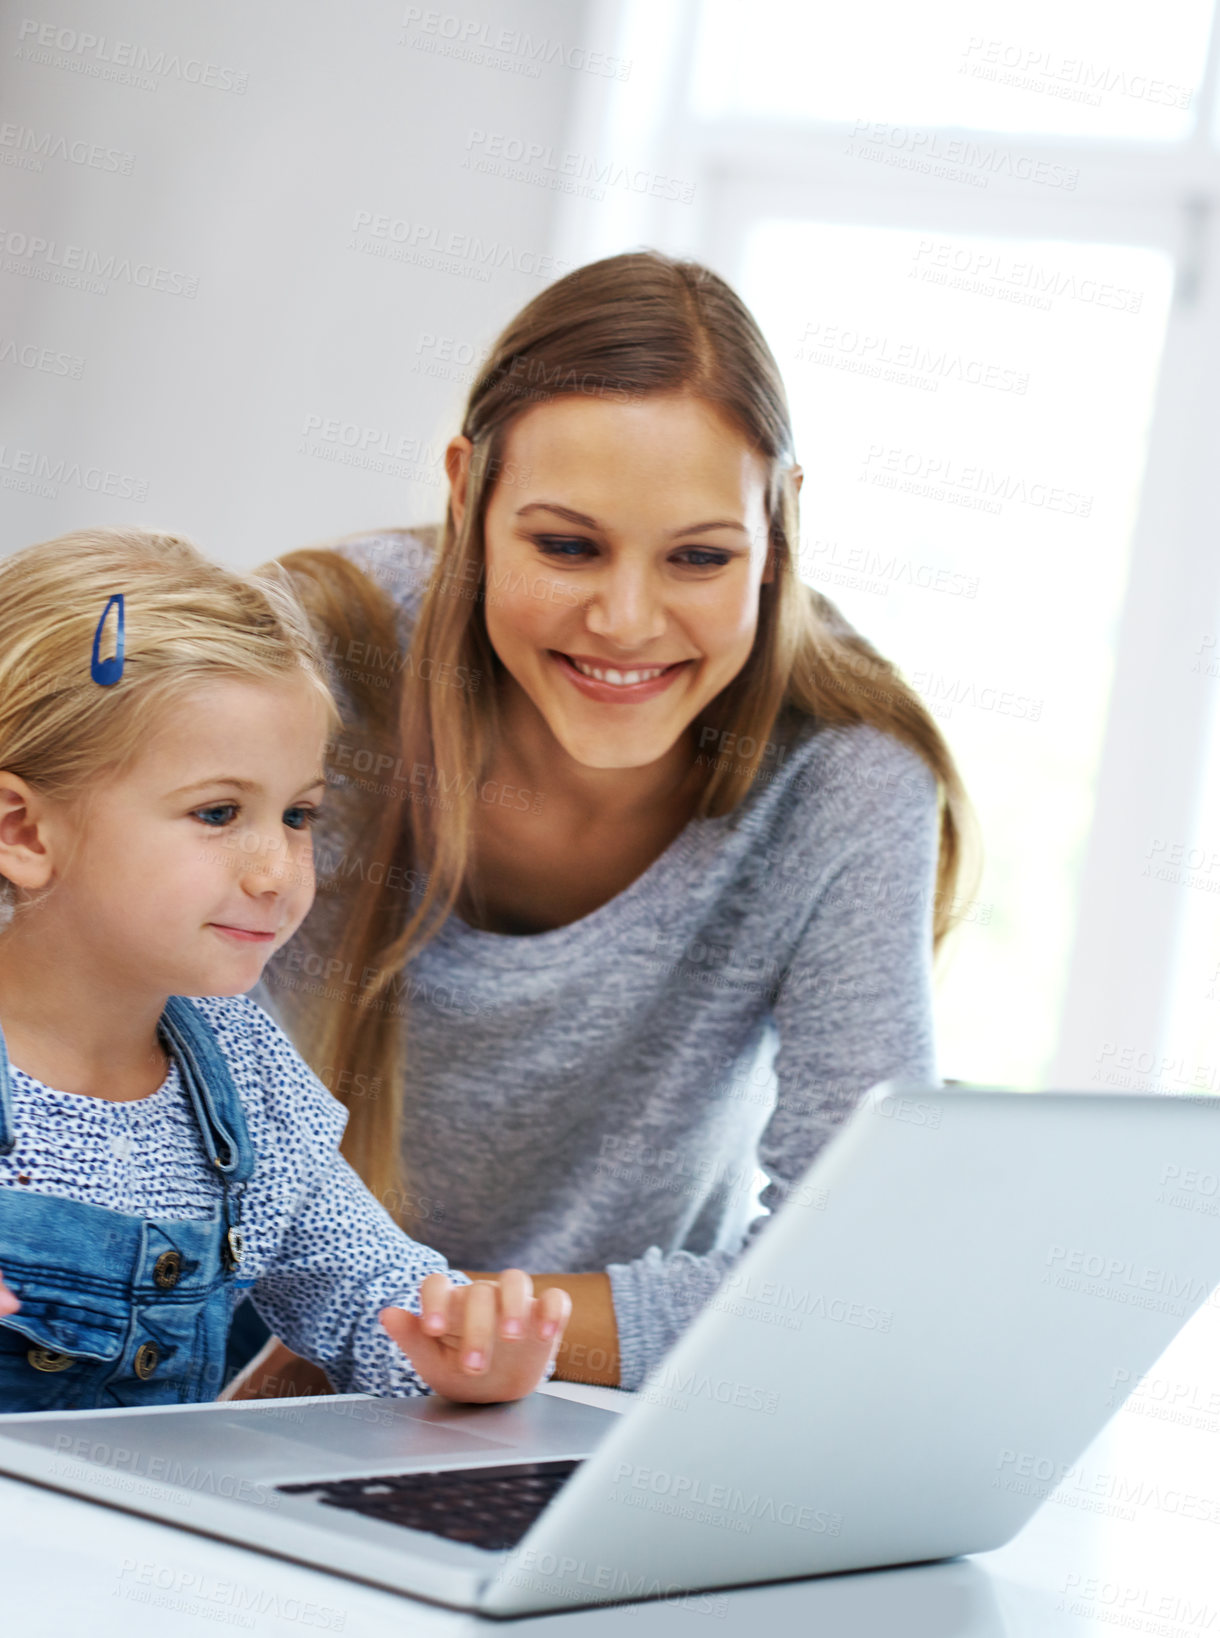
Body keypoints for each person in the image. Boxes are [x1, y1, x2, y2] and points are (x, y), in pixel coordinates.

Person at [237, 249, 977, 1399]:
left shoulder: (844, 781)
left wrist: (408, 1326)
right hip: (220, 1369)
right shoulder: (315, 662)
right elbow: (69, 948)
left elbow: (840, 1279)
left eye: (699, 557)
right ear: (466, 494)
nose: (625, 620)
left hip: (603, 1410)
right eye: (566, 546)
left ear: (778, 526)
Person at [0, 526, 570, 1412]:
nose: (277, 871)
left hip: (145, 1532)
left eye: (299, 814)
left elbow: (361, 1289)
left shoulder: (241, 1073)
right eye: (218, 812)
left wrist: (457, 1345)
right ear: (23, 833)